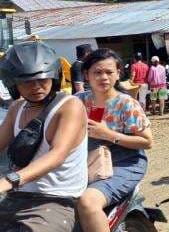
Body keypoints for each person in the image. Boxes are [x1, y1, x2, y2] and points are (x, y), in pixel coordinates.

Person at [0, 41, 88, 232]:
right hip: (17, 195)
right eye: (27, 81)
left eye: (43, 79)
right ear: (13, 83)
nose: (37, 86)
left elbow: (56, 156)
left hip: (56, 199)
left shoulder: (69, 106)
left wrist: (8, 181)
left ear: (54, 77)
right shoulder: (16, 108)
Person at [76, 49, 153, 232]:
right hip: (87, 162)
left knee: (88, 202)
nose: (104, 77)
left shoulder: (126, 104)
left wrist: (108, 134)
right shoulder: (78, 101)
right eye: (97, 72)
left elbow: (147, 142)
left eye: (109, 72)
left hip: (124, 163)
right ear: (86, 75)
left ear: (118, 74)